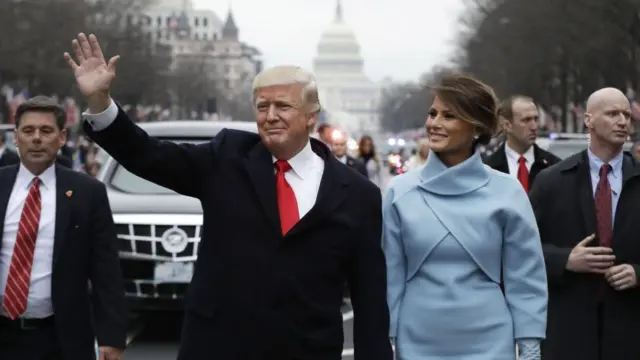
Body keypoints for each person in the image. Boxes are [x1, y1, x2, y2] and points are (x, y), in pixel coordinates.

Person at [65, 33, 392, 360]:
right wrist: (101, 103)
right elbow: (148, 154)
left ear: (311, 116)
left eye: (283, 106)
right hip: (218, 347)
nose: (271, 115)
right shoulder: (226, 159)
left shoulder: (359, 196)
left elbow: (369, 303)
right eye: (263, 106)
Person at [383, 74, 547, 360]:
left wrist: (530, 343)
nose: (434, 123)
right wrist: (388, 337)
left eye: (449, 116)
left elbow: (525, 275)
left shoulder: (508, 191)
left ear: (476, 127)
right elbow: (390, 275)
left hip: (491, 341)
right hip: (417, 340)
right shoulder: (399, 191)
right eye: (432, 113)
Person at [0, 96, 126, 360]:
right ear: (15, 137)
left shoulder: (87, 193)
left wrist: (111, 338)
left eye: (46, 131)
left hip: (60, 339)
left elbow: (106, 271)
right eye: (28, 130)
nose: (36, 138)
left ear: (61, 137)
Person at [529, 87, 640, 360]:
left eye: (627, 115)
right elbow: (520, 249)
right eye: (613, 114)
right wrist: (566, 259)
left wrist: (639, 273)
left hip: (630, 329)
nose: (623, 121)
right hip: (570, 329)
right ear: (588, 120)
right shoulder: (552, 181)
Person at [484, 95, 560, 191]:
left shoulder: (554, 167)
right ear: (507, 126)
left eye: (535, 119)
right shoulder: (488, 169)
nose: (534, 127)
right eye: (526, 120)